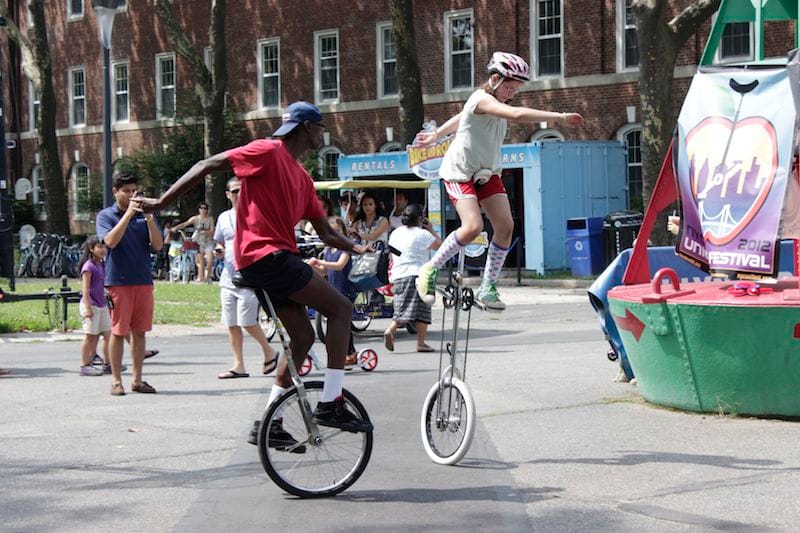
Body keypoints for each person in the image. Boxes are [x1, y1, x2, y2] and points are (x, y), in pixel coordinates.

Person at [140, 101, 373, 448]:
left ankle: (271, 422)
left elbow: (326, 234)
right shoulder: (268, 150)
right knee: (341, 309)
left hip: (270, 261)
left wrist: (356, 247)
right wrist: (161, 203)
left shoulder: (304, 180)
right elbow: (208, 164)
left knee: (304, 338)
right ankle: (332, 402)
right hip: (267, 257)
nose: (322, 133)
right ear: (307, 128)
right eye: (320, 127)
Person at [415, 51, 584, 311]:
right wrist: (559, 117)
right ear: (494, 79)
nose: (512, 93)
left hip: (486, 170)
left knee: (505, 225)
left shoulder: (479, 104)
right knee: (472, 226)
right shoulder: (481, 98)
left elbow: (462, 117)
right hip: (460, 170)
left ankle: (487, 287)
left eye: (516, 89)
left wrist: (438, 133)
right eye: (509, 87)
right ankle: (430, 268)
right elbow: (515, 115)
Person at [96, 171, 164, 396]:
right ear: (115, 192)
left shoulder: (145, 215)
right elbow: (110, 241)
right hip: (118, 282)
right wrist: (127, 215)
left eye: (134, 191)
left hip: (143, 280)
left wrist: (149, 218)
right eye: (126, 191)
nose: (131, 196)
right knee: (118, 331)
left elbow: (157, 245)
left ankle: (137, 379)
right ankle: (116, 381)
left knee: (140, 332)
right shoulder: (106, 216)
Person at [214, 176, 279, 379]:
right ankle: (239, 365)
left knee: (248, 321)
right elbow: (220, 242)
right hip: (228, 277)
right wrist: (219, 249)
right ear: (228, 195)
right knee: (231, 324)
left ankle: (269, 351)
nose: (239, 194)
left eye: (242, 190)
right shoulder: (224, 217)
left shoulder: (256, 213)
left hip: (250, 277)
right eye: (235, 191)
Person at [384, 204, 442, 352]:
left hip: (398, 274)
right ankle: (399, 333)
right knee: (422, 311)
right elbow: (440, 246)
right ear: (421, 218)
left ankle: (412, 339)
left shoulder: (396, 232)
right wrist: (431, 229)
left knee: (402, 306)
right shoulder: (423, 234)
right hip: (418, 274)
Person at [307, 217, 359, 368]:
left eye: (338, 231)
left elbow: (339, 265)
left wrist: (319, 262)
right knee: (337, 323)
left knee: (345, 324)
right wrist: (313, 267)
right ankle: (344, 353)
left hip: (346, 290)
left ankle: (351, 353)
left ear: (343, 232)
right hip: (334, 289)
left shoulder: (345, 250)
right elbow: (324, 271)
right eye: (332, 231)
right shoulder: (328, 250)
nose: (335, 234)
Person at [78, 235, 111, 376]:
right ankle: (84, 365)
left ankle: (108, 363)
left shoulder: (102, 264)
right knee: (90, 336)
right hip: (91, 304)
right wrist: (88, 308)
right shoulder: (88, 267)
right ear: (91, 249)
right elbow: (85, 289)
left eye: (104, 246)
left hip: (102, 304)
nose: (103, 249)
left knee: (108, 334)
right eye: (99, 247)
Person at [173, 202, 215, 283]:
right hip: (199, 242)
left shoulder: (210, 219)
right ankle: (202, 278)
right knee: (201, 261)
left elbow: (212, 231)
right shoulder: (195, 219)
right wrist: (176, 227)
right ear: (199, 209)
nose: (203, 210)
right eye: (201, 208)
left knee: (210, 260)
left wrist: (205, 232)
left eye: (205, 208)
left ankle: (208, 276)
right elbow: (185, 224)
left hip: (208, 241)